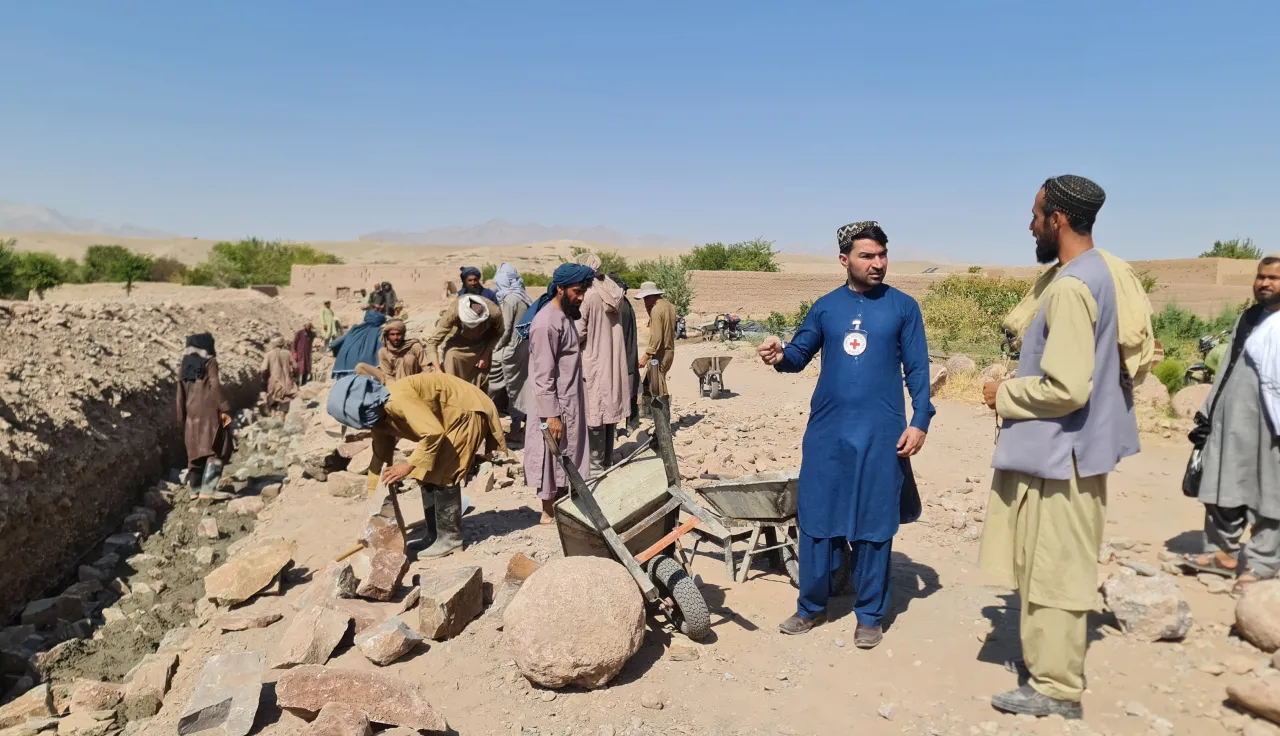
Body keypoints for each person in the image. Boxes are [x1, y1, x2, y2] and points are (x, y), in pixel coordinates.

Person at [979, 175, 1146, 719]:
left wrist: (1002, 392)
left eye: (1035, 214)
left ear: (1058, 219)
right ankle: (1053, 675)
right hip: (1066, 453)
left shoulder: (1073, 287)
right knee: (1046, 565)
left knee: (1054, 569)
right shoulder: (1094, 273)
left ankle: (1056, 688)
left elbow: (1068, 387)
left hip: (1063, 457)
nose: (1029, 224)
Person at [757, 221, 933, 650]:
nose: (877, 264)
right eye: (866, 256)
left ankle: (870, 614)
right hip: (828, 433)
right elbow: (798, 355)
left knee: (874, 524)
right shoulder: (826, 308)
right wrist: (780, 355)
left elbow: (919, 370)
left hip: (881, 433)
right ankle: (810, 607)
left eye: (881, 255)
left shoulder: (903, 308)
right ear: (844, 260)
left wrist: (920, 420)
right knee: (818, 519)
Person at [327, 370, 507, 558]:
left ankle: (449, 540)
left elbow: (433, 434)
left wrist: (407, 465)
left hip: (465, 411)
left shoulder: (397, 400)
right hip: (445, 421)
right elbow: (379, 460)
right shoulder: (378, 418)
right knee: (423, 472)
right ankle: (433, 535)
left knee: (445, 473)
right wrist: (371, 521)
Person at [1181, 255, 1280, 594]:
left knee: (1272, 494)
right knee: (1222, 484)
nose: (1264, 283)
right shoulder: (1250, 318)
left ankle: (1262, 564)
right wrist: (1209, 411)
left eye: (1274, 278)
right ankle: (1222, 554)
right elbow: (1227, 367)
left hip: (1273, 425)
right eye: (1261, 276)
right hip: (1233, 419)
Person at [520, 262, 597, 523]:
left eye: (584, 290)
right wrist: (551, 415)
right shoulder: (545, 323)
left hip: (570, 398)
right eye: (577, 291)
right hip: (553, 402)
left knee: (569, 452)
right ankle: (547, 512)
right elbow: (543, 375)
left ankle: (565, 506)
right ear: (561, 289)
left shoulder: (565, 316)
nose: (581, 296)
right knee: (550, 454)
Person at [574, 253, 631, 472]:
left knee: (595, 409)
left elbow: (579, 332)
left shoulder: (588, 295)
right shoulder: (613, 290)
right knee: (608, 408)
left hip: (593, 360)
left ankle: (596, 465)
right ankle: (606, 461)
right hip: (613, 360)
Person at [177, 333, 235, 501]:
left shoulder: (184, 366)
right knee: (218, 446)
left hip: (191, 414)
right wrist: (225, 407)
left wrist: (181, 416)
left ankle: (195, 489)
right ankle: (208, 489)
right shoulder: (210, 362)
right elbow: (215, 386)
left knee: (195, 450)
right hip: (210, 411)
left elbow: (180, 394)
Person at [424, 294, 504, 390]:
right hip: (459, 343)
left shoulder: (494, 312)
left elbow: (498, 334)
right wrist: (438, 370)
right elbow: (432, 342)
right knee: (451, 358)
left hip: (483, 344)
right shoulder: (453, 312)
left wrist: (486, 355)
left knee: (482, 380)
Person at [491, 263, 532, 440]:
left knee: (491, 380)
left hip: (512, 348)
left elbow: (507, 329)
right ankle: (520, 427)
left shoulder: (509, 299)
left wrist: (495, 348)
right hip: (524, 347)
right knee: (521, 387)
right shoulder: (523, 296)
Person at [634, 281, 676, 426]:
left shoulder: (657, 310)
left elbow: (657, 337)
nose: (645, 301)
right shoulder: (669, 306)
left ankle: (664, 425)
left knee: (659, 389)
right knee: (656, 384)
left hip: (660, 354)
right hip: (669, 351)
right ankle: (660, 421)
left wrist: (646, 356)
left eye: (646, 298)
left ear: (652, 296)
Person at [612, 274, 641, 435]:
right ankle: (632, 425)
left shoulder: (617, 306)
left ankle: (614, 428)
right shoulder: (626, 304)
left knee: (617, 393)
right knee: (631, 391)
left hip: (620, 358)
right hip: (629, 355)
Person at [331, 308, 387, 378]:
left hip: (345, 369)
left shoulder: (354, 330)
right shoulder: (380, 332)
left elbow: (333, 344)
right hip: (367, 370)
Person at [378, 319, 428, 383]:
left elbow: (426, 368)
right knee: (361, 367)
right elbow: (388, 375)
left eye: (398, 334)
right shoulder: (383, 352)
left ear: (403, 334)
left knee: (409, 358)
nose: (396, 338)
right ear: (387, 336)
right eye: (392, 334)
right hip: (395, 382)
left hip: (415, 381)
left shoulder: (414, 346)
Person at [262, 334, 297, 420]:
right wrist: (294, 376)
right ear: (282, 343)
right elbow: (296, 366)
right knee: (285, 403)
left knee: (272, 401)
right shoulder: (288, 353)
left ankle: (273, 417)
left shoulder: (268, 355)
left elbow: (263, 369)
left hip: (273, 383)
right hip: (286, 382)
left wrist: (265, 378)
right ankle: (282, 419)